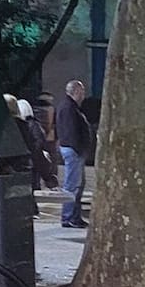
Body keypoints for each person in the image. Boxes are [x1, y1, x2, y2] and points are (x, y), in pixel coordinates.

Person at [56, 80, 91, 229]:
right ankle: (69, 216)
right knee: (72, 185)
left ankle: (74, 216)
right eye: (82, 91)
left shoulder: (70, 107)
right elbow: (72, 132)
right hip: (73, 150)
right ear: (76, 92)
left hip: (73, 150)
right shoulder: (69, 108)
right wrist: (79, 149)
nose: (83, 95)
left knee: (77, 185)